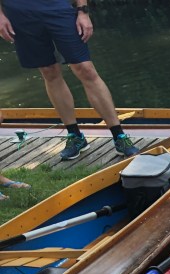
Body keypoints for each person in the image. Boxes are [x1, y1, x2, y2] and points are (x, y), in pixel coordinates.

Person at [0, 0, 139, 161]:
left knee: (85, 69)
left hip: (58, 9)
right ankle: (75, 136)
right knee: (49, 71)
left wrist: (83, 11)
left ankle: (119, 136)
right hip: (20, 14)